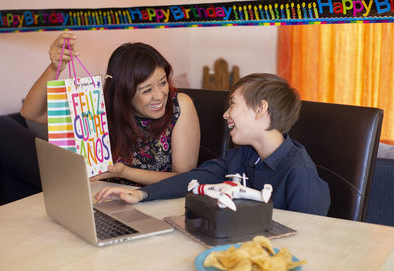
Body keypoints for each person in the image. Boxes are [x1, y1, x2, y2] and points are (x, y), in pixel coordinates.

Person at [94, 73, 331, 215]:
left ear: (260, 109)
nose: (226, 114)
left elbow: (309, 238)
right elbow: (193, 178)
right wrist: (141, 195)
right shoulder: (241, 156)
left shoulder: (300, 173)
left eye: (233, 104)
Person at [21, 33, 200, 186]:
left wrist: (123, 172)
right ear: (124, 92)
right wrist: (55, 67)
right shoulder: (98, 107)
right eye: (146, 90)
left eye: (163, 82)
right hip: (105, 202)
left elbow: (184, 179)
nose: (160, 95)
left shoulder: (179, 106)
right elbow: (31, 113)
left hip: (157, 204)